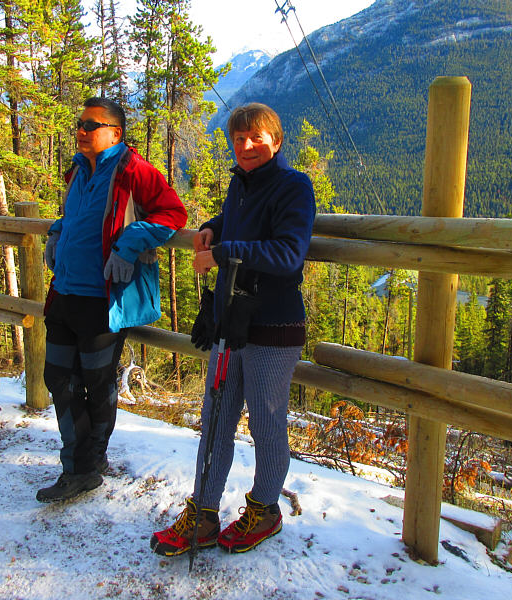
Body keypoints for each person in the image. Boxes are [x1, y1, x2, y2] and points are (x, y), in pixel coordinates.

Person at [151, 103, 316, 555]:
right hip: (232, 321)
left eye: (256, 137)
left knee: (266, 423)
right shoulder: (240, 183)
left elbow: (288, 253)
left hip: (274, 324)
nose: (246, 146)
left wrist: (222, 252)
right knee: (216, 421)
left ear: (276, 141)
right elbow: (238, 223)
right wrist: (211, 228)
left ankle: (265, 509)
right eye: (239, 139)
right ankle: (203, 514)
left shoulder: (294, 186)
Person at [37, 97, 187, 503]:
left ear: (115, 132)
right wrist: (57, 230)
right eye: (80, 124)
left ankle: (84, 465)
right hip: (64, 293)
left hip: (103, 300)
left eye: (91, 125)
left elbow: (173, 214)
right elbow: (77, 215)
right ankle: (83, 462)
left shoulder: (133, 170)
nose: (81, 131)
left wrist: (130, 242)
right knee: (58, 378)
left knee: (97, 383)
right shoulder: (78, 169)